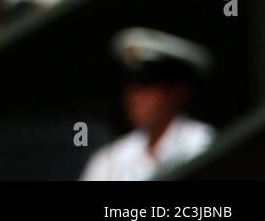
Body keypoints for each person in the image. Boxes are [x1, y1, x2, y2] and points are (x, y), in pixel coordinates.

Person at [81, 28, 215, 181]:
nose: (134, 96)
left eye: (146, 84)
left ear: (177, 92)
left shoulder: (201, 144)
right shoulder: (110, 160)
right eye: (131, 85)